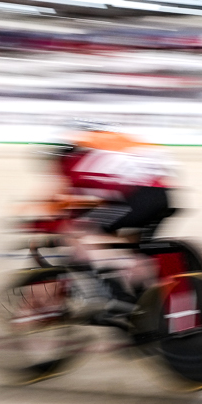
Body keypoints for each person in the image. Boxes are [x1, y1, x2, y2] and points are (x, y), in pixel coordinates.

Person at [47, 123, 179, 324]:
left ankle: (121, 298)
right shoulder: (101, 153)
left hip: (138, 196)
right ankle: (144, 293)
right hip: (163, 194)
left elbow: (70, 210)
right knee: (119, 240)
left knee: (81, 239)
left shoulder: (72, 163)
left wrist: (51, 228)